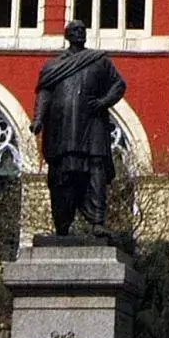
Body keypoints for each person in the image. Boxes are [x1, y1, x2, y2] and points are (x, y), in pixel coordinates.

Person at [31, 20, 127, 236]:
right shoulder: (52, 67)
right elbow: (44, 94)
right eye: (75, 30)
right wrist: (38, 119)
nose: (80, 33)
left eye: (83, 30)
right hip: (61, 128)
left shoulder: (99, 61)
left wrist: (103, 103)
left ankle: (97, 222)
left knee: (96, 170)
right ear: (67, 35)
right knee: (61, 174)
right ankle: (62, 225)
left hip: (92, 126)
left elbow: (119, 85)